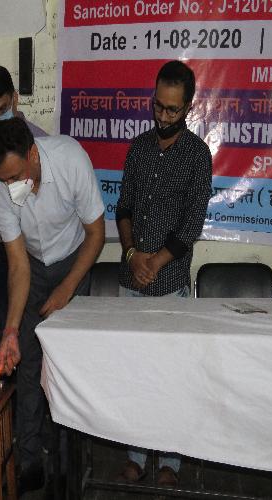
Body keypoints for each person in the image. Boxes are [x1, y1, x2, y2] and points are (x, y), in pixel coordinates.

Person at [0, 117, 105, 495]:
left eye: (15, 176)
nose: (11, 186)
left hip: (74, 261)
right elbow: (18, 265)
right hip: (33, 268)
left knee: (69, 365)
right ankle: (31, 462)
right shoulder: (1, 186)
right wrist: (10, 330)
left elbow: (96, 234)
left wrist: (67, 289)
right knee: (26, 361)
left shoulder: (71, 159)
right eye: (4, 180)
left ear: (33, 155)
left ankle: (70, 463)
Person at [115, 60, 212, 487]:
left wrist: (154, 262)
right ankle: (135, 456)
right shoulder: (137, 149)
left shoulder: (198, 155)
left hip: (170, 285)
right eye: (158, 106)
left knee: (171, 377)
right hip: (130, 280)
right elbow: (123, 209)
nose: (163, 116)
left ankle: (171, 461)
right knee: (134, 375)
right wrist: (132, 253)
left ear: (188, 107)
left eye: (172, 109)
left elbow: (190, 227)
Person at [0, 65, 47, 337]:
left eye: (4, 109)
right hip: (5, 250)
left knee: (39, 328)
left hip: (37, 247)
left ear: (15, 99)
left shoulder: (40, 140)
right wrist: (9, 224)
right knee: (8, 327)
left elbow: (48, 195)